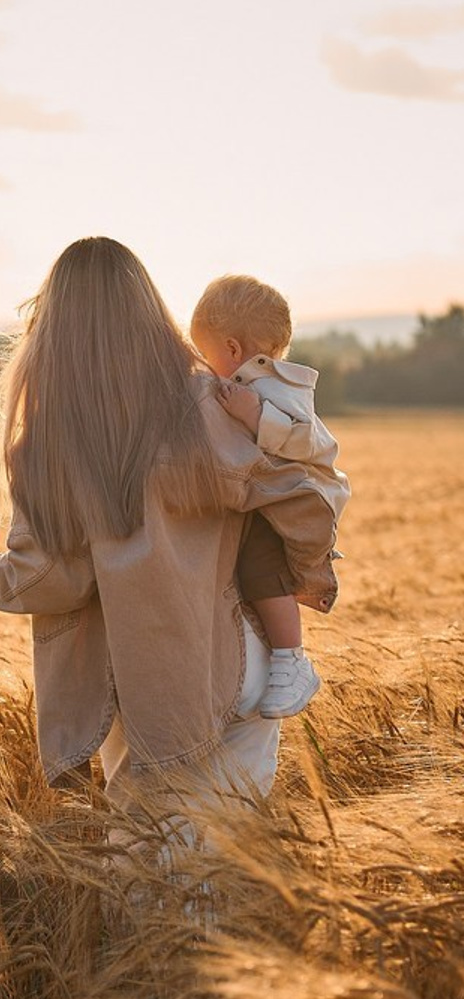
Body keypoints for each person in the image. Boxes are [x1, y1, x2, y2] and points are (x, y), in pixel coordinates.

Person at [0, 237, 349, 827]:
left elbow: (48, 581)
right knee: (233, 865)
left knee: (147, 866)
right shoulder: (206, 403)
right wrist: (302, 574)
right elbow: (303, 500)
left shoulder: (43, 444)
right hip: (237, 669)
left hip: (141, 693)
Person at [190, 274, 347, 718]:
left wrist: (257, 415)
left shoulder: (278, 389)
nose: (205, 367)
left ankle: (291, 659)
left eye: (206, 355)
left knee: (261, 566)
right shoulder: (250, 382)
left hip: (297, 501)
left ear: (233, 349)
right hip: (272, 495)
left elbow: (311, 442)